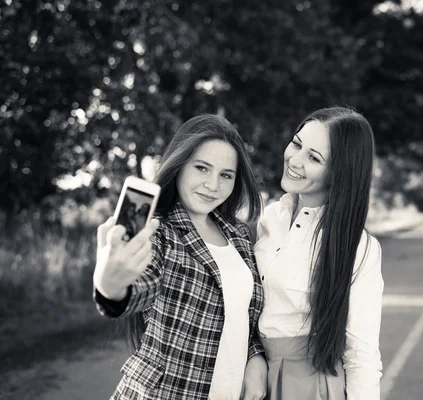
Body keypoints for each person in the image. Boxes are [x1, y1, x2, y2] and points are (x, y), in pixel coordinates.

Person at [93, 114, 268, 400]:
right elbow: (139, 287)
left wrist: (255, 355)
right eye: (202, 168)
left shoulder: (238, 235)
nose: (213, 185)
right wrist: (110, 287)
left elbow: (241, 316)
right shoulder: (159, 232)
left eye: (226, 175)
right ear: (179, 165)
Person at [254, 107, 384, 399]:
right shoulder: (270, 218)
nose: (295, 160)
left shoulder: (359, 247)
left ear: (339, 172)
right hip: (251, 375)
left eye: (314, 158)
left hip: (309, 386)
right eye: (297, 144)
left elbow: (361, 354)